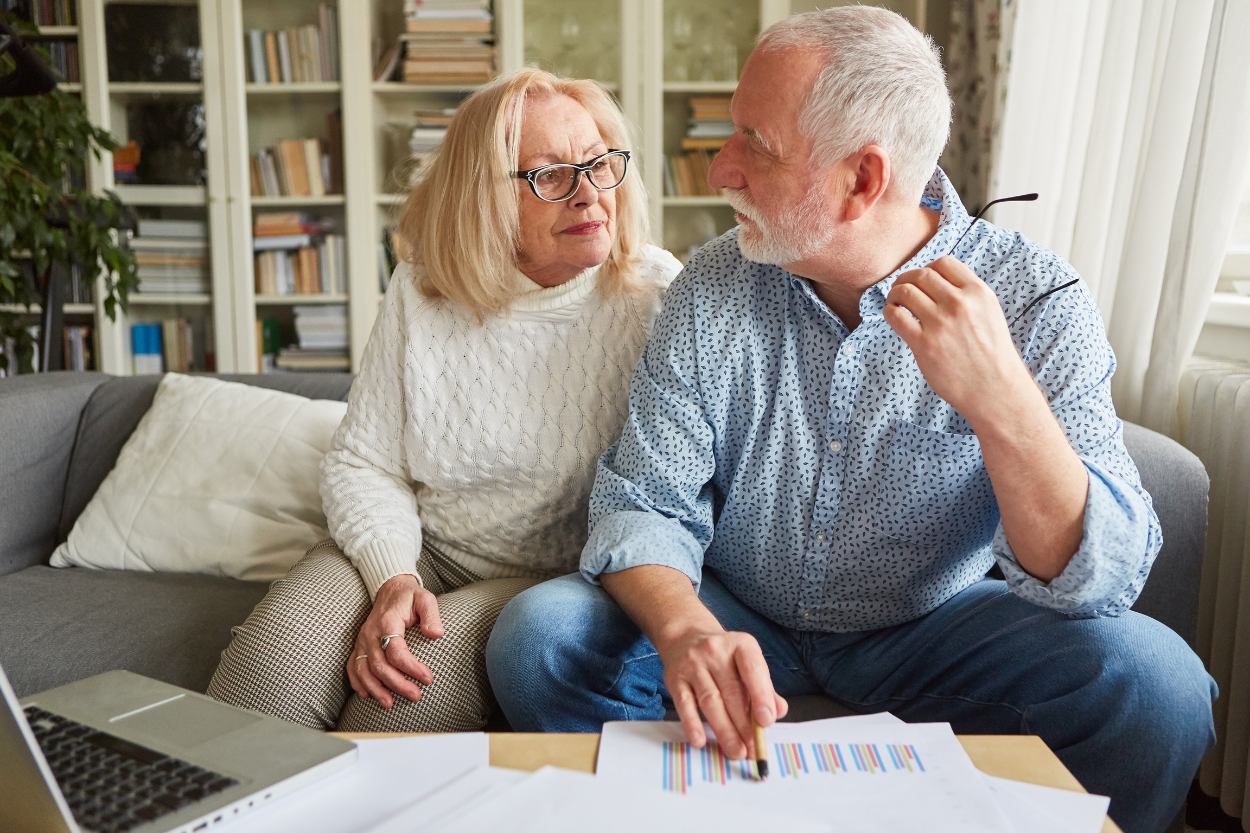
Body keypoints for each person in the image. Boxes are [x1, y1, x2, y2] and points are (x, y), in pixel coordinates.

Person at [485, 9, 1216, 833]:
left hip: (937, 624)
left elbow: (1100, 579)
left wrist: (1003, 401)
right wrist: (687, 628)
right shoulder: (711, 287)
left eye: (753, 145)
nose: (719, 168)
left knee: (1159, 687)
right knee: (539, 638)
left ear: (862, 179)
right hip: (740, 609)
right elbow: (646, 500)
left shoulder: (1038, 298)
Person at [206, 68, 681, 734]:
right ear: (484, 197)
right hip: (425, 547)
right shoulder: (422, 287)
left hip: (552, 579)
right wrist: (393, 577)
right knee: (264, 674)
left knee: (393, 704)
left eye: (600, 163)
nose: (588, 194)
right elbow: (365, 462)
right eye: (550, 175)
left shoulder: (658, 295)